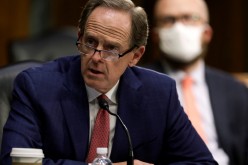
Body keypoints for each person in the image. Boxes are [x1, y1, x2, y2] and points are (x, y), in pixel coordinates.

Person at [0, 0, 217, 164]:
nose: (96, 57)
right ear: (80, 36)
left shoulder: (159, 93)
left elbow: (203, 162)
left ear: (135, 56)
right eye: (90, 42)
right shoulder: (37, 86)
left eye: (111, 49)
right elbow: (14, 160)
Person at [144, 0, 248, 164]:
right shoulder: (138, 85)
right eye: (168, 20)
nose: (179, 28)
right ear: (156, 35)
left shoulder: (235, 90)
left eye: (189, 18)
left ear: (207, 33)